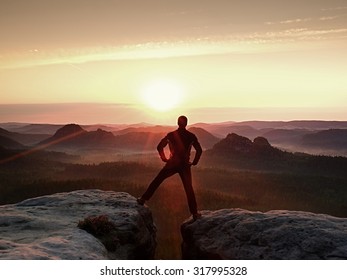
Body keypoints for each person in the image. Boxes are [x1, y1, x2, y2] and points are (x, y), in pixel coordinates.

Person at [137, 115, 203, 221]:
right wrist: (194, 162)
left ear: (177, 123)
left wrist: (164, 158)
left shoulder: (171, 135)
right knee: (189, 189)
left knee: (158, 180)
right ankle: (195, 213)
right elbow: (199, 150)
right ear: (186, 124)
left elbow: (159, 146)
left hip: (172, 163)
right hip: (185, 165)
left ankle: (143, 199)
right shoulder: (191, 136)